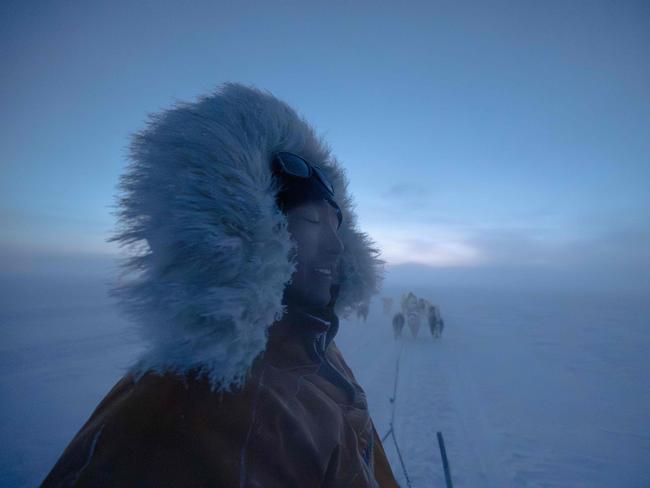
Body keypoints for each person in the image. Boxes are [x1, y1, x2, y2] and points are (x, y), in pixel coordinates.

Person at [42, 83, 398, 487]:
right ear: (246, 232)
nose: (336, 247)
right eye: (312, 223)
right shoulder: (178, 423)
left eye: (337, 226)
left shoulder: (316, 350)